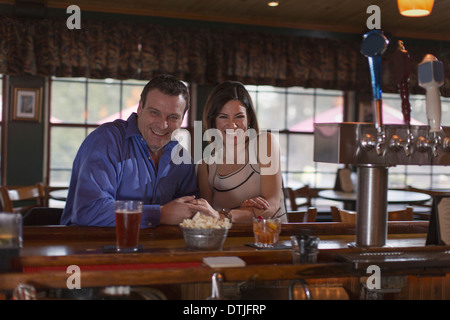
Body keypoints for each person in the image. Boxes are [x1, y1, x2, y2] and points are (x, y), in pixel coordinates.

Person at [61, 74, 218, 227]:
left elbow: (189, 213)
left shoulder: (182, 158)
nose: (162, 125)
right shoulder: (106, 141)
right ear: (140, 107)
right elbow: (88, 211)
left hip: (155, 249)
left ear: (182, 119)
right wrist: (160, 214)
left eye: (172, 117)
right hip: (89, 247)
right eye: (154, 112)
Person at [197, 81, 286, 223]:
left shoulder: (265, 143)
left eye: (239, 116)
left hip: (273, 239)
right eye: (223, 116)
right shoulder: (205, 167)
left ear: (249, 118)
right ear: (213, 121)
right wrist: (246, 211)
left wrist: (224, 215)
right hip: (229, 243)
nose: (232, 125)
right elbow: (207, 216)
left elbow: (273, 206)